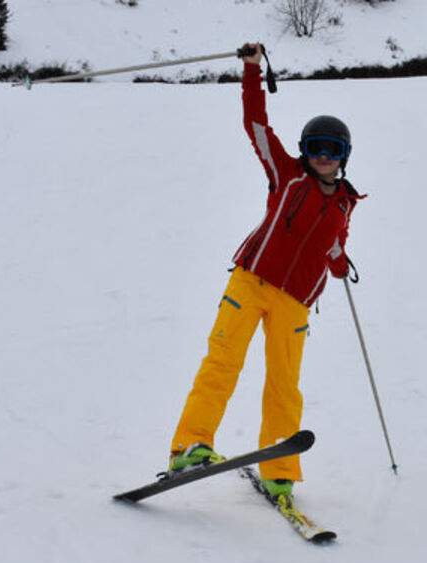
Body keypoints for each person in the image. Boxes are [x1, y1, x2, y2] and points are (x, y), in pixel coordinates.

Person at [167, 43, 364, 505]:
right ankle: (189, 446)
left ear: (344, 156)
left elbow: (335, 245)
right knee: (223, 362)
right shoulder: (286, 174)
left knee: (283, 386)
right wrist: (253, 70)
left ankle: (279, 471)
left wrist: (338, 264)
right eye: (315, 149)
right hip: (251, 282)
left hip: (294, 303)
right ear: (304, 152)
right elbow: (256, 124)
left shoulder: (344, 202)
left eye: (332, 151)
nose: (323, 158)